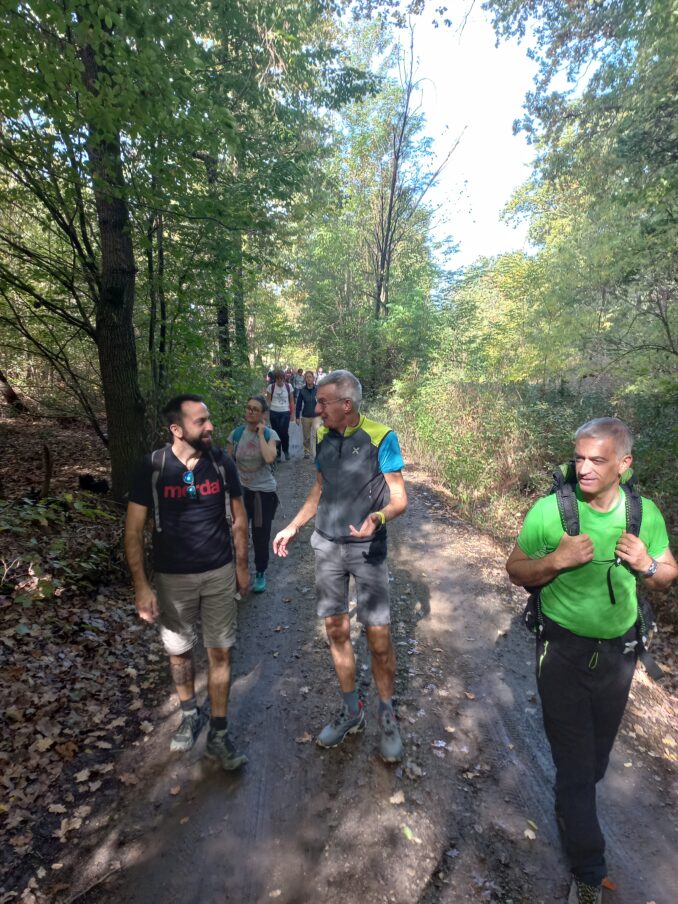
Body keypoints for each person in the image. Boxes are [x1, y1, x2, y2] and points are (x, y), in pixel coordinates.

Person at [505, 417, 677, 904]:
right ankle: (588, 870)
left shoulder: (643, 514)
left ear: (624, 464)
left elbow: (666, 572)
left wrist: (646, 562)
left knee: (594, 762)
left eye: (597, 460)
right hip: (561, 650)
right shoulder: (550, 512)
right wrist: (554, 561)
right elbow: (515, 568)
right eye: (578, 458)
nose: (583, 468)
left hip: (621, 653)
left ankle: (572, 801)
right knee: (577, 769)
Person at [273, 370, 408, 762]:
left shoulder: (382, 437)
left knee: (378, 639)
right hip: (328, 547)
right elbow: (319, 489)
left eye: (323, 403)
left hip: (368, 551)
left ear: (345, 405)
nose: (317, 408)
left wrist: (378, 519)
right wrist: (294, 524)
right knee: (336, 630)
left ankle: (386, 715)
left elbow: (399, 498)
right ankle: (353, 711)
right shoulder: (321, 435)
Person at [124, 394, 250, 771]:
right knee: (179, 653)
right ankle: (189, 713)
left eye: (208, 419)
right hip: (172, 578)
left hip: (218, 571)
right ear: (177, 429)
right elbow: (133, 531)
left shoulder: (221, 462)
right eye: (201, 422)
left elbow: (240, 519)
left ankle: (219, 733)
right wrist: (142, 586)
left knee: (221, 651)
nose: (210, 427)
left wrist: (242, 567)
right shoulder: (154, 466)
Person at [227, 395, 279, 594]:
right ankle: (240, 571)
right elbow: (229, 462)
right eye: (248, 408)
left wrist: (260, 435)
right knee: (238, 533)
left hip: (263, 493)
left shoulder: (270, 435)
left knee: (260, 534)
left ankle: (260, 572)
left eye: (255, 409)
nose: (250, 411)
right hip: (241, 491)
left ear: (262, 414)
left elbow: (269, 457)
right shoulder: (236, 434)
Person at [267, 369, 294, 461]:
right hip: (274, 412)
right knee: (275, 433)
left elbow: (291, 401)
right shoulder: (271, 387)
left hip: (285, 412)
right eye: (278, 379)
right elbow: (268, 401)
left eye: (281, 379)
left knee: (284, 433)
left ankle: (286, 451)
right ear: (275, 379)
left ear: (284, 378)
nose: (280, 381)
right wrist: (267, 413)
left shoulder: (288, 386)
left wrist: (292, 413)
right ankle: (278, 453)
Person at [295, 370, 320, 459]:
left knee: (315, 435)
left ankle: (315, 452)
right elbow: (298, 404)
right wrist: (297, 417)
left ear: (313, 378)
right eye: (307, 377)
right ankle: (306, 451)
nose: (309, 378)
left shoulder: (318, 389)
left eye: (310, 377)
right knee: (306, 436)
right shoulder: (302, 391)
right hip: (305, 416)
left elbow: (322, 402)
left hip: (316, 416)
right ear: (305, 379)